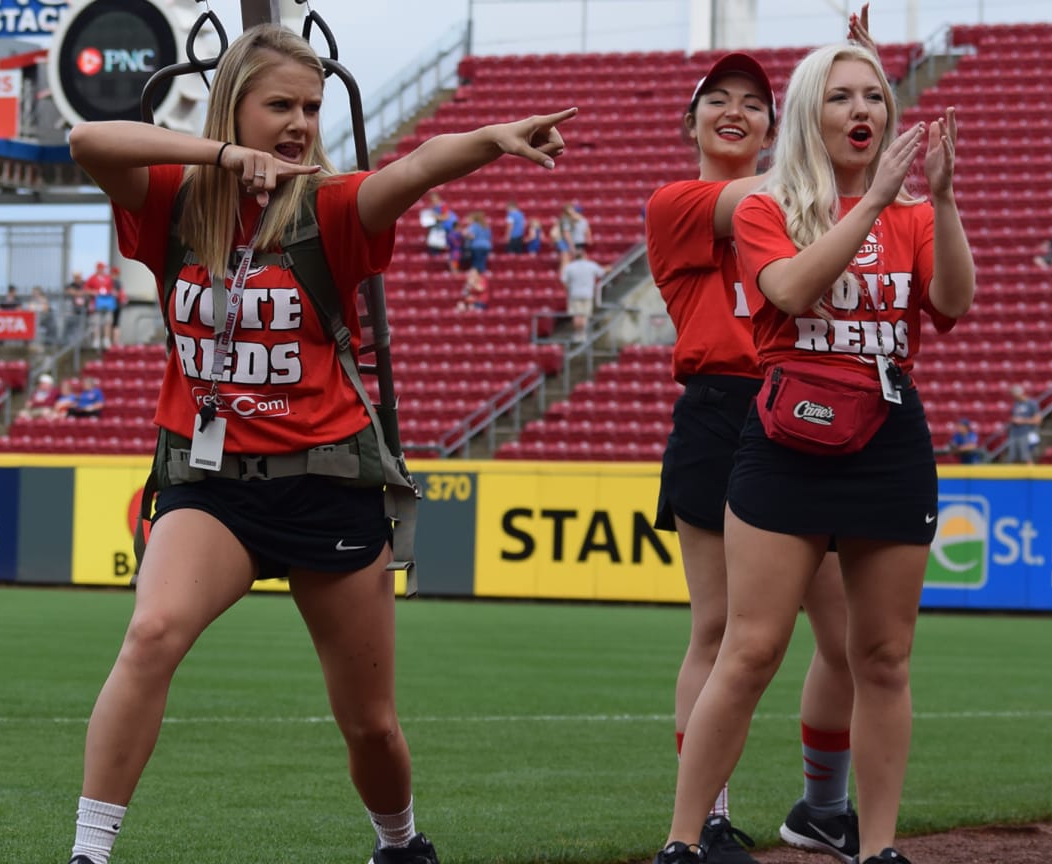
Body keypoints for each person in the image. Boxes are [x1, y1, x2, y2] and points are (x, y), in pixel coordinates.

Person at [65, 23, 572, 864]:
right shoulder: (174, 200)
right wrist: (222, 160)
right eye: (280, 106)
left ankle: (400, 842)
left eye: (311, 106)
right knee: (150, 634)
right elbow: (87, 138)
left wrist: (490, 139)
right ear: (235, 106)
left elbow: (413, 169)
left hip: (327, 482)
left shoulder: (331, 206)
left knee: (369, 723)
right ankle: (88, 853)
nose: (300, 122)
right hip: (210, 481)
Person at [654, 38, 975, 864]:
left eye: (873, 98)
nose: (860, 111)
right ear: (804, 116)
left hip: (882, 424)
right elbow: (791, 289)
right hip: (771, 416)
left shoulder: (901, 211)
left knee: (875, 651)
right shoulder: (754, 204)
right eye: (839, 99)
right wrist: (860, 183)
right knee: (740, 638)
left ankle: (861, 836)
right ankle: (691, 835)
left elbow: (954, 304)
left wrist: (937, 199)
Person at [644, 48, 858, 864]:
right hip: (723, 412)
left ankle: (821, 807)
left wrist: (852, 88)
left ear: (773, 125)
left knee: (844, 638)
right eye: (717, 100)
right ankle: (707, 820)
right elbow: (797, 191)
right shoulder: (681, 202)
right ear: (690, 120)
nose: (735, 111)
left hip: (803, 407)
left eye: (756, 103)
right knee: (721, 630)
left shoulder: (797, 203)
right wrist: (834, 114)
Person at [560, 248, 605, 340]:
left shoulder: (570, 267)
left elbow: (563, 280)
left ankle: (577, 334)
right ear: (584, 256)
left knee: (577, 315)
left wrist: (568, 289)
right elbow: (601, 273)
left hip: (574, 293)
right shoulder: (591, 265)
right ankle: (583, 334)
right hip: (587, 293)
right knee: (584, 315)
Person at [1004, 384, 1040, 464]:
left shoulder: (1031, 403)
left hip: (1026, 433)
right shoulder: (1015, 404)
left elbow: (1037, 421)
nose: (1013, 396)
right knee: (1013, 458)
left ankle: (1032, 475)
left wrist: (1022, 420)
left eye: (1014, 393)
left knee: (1027, 457)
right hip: (1014, 433)